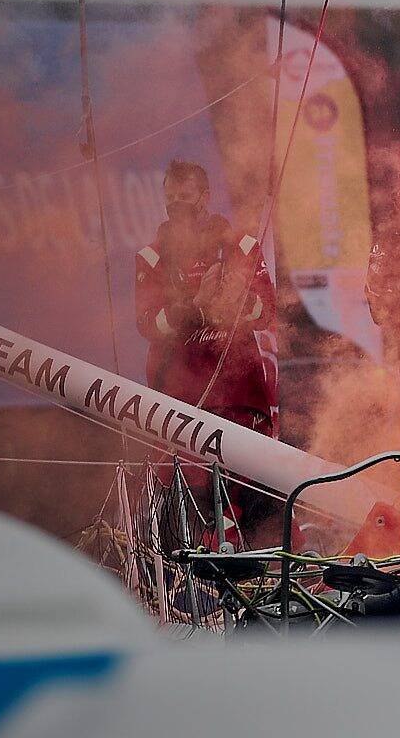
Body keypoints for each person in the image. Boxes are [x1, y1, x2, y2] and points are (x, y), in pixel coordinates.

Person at [136, 161, 280, 550]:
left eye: (185, 198)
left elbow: (267, 313)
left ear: (205, 197)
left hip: (241, 402)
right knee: (194, 524)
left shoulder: (243, 246)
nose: (176, 206)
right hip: (182, 408)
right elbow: (148, 324)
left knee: (263, 513)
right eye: (170, 199)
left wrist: (238, 298)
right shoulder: (151, 259)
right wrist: (196, 308)